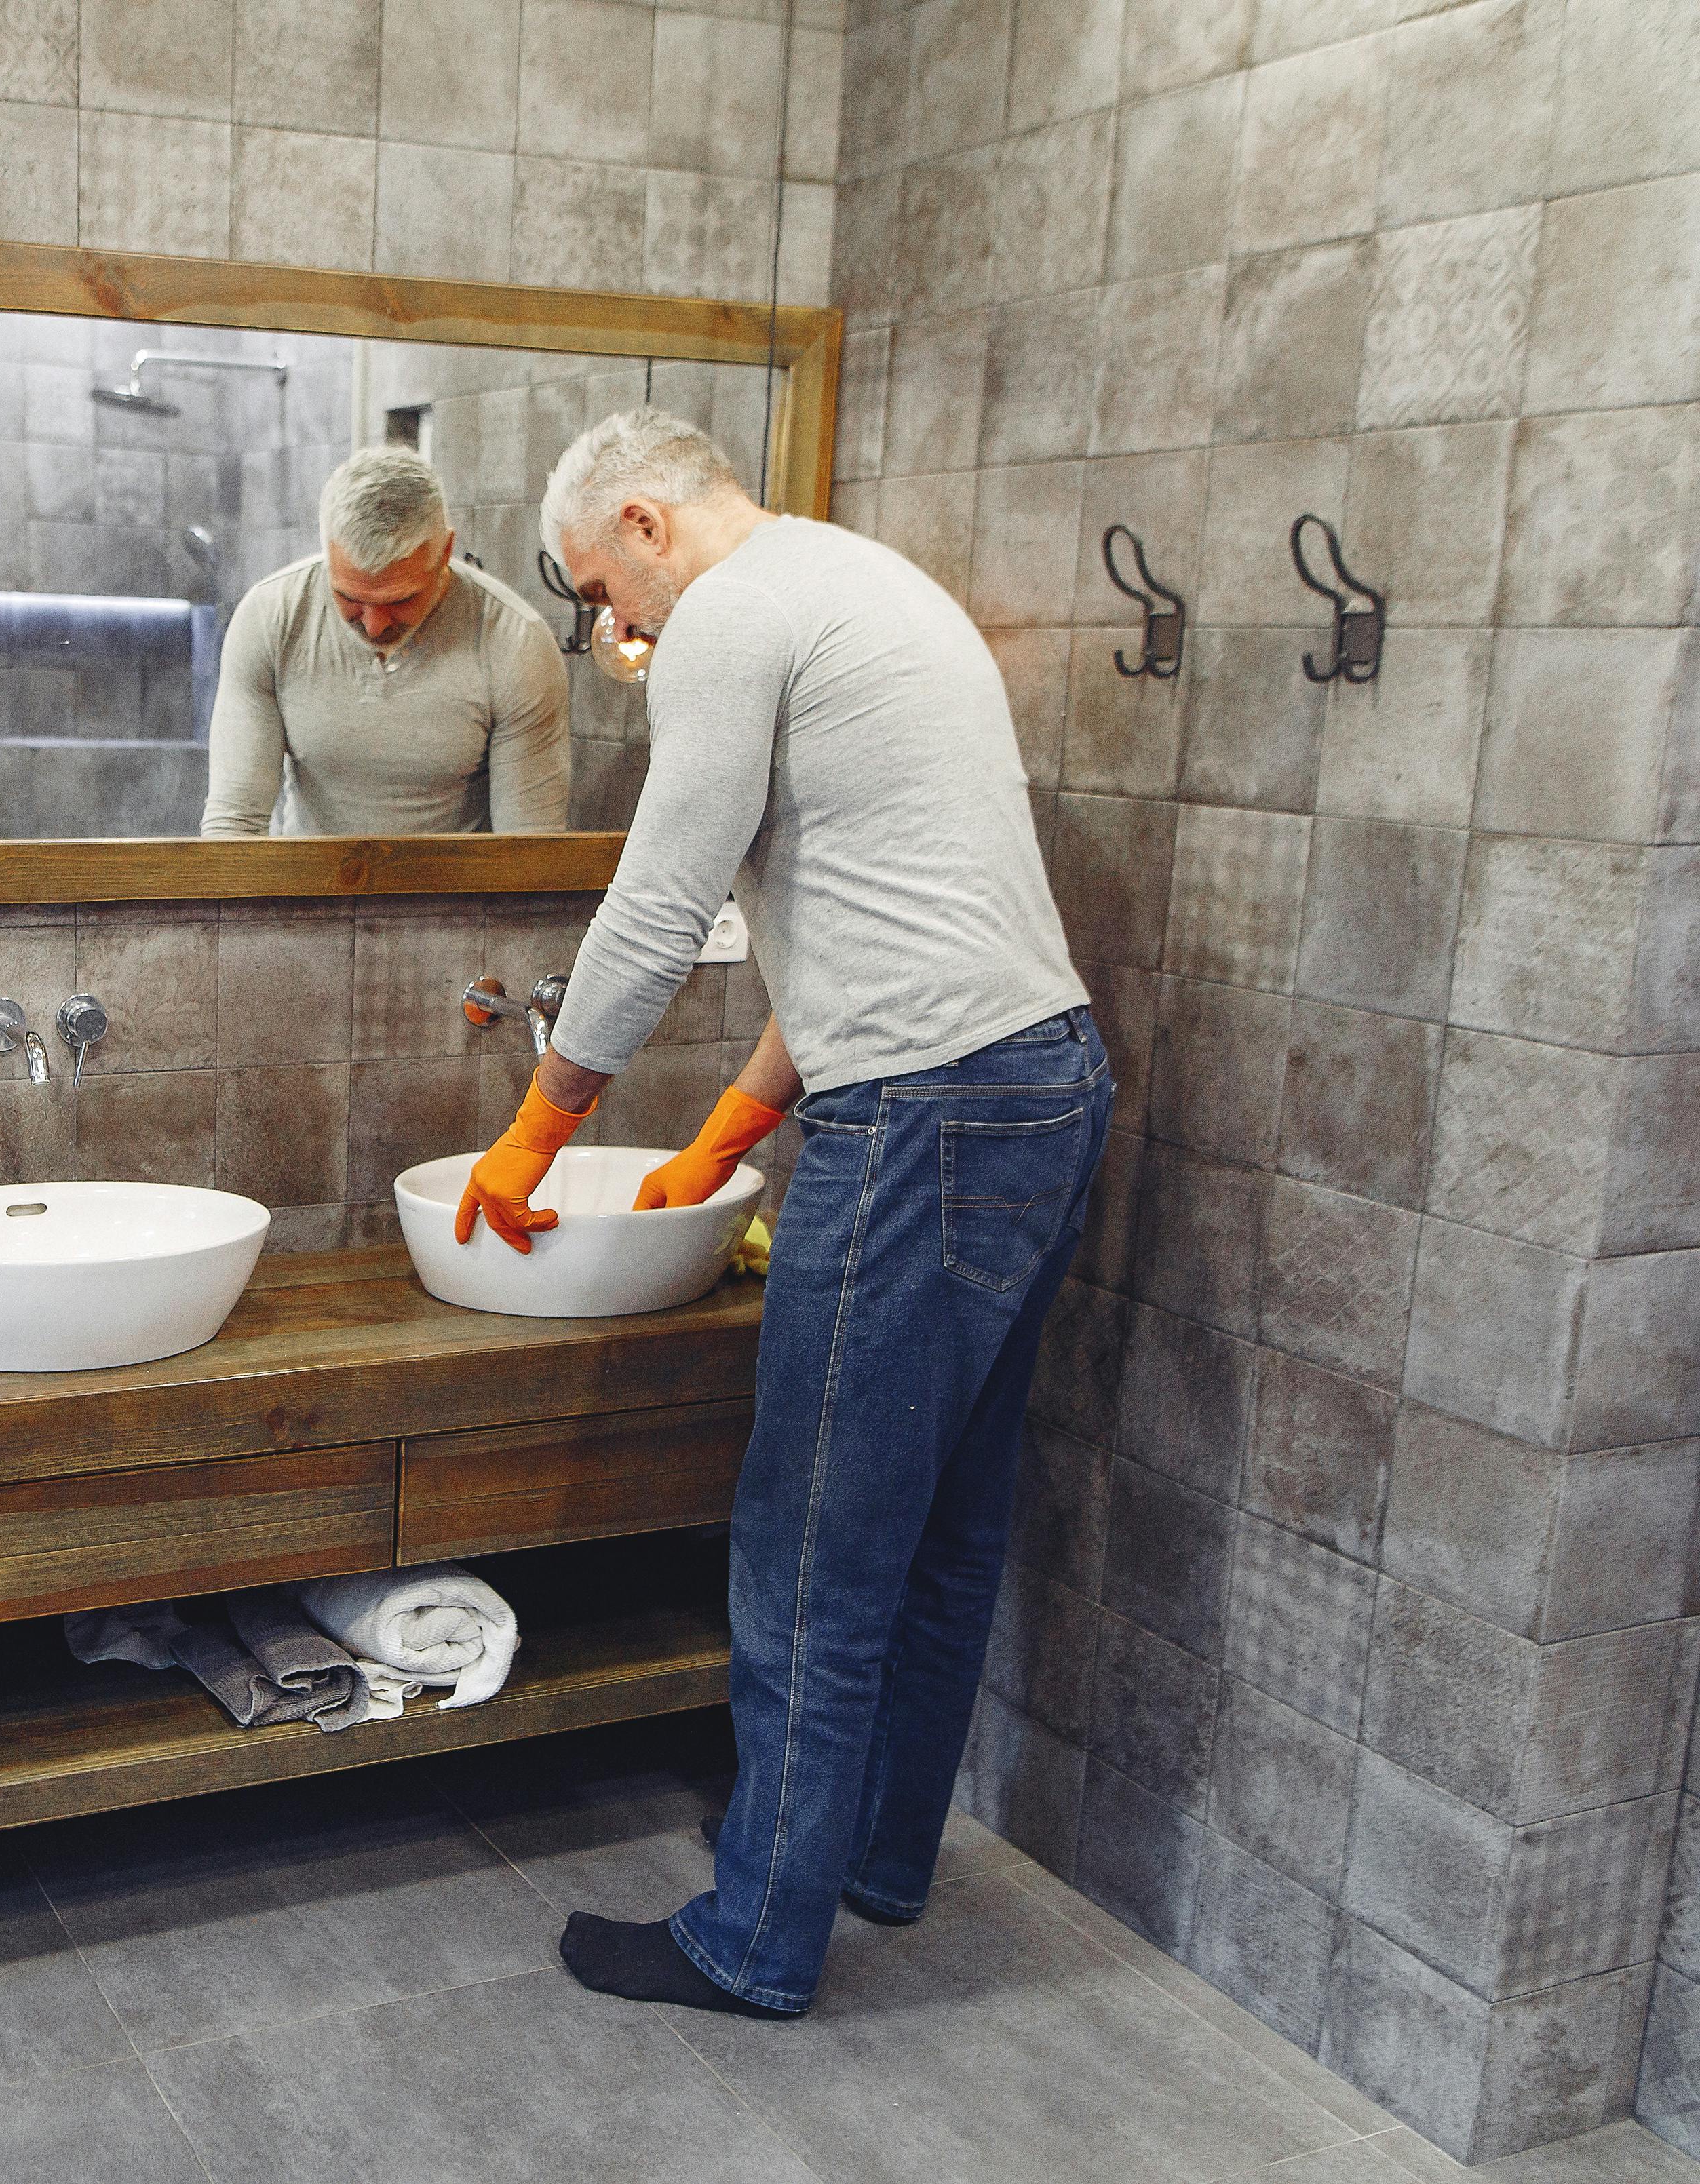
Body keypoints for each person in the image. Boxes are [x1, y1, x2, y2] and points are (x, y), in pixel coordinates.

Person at [457, 411, 1108, 2020]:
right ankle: (875, 1861)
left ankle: (755, 1938)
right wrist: (731, 1129)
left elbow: (661, 901)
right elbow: (861, 910)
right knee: (941, 1525)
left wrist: (536, 1133)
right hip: (1039, 1081)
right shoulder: (857, 580)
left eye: (613, 589)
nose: (620, 631)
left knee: (809, 1542)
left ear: (644, 521)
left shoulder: (732, 618)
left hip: (928, 1119)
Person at [198, 446, 571, 837]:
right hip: (309, 894)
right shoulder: (270, 619)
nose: (374, 626)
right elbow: (235, 823)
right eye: (350, 598)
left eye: (400, 600)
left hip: (456, 897)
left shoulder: (515, 642)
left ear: (445, 552)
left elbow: (527, 850)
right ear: (328, 553)